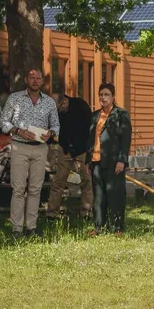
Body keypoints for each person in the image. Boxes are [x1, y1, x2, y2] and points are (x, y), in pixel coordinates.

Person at [0, 69, 60, 238]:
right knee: (18, 189)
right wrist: (18, 130)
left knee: (35, 189)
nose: (35, 80)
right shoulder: (15, 98)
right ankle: (17, 229)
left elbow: (56, 125)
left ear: (42, 81)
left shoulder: (49, 102)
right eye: (32, 77)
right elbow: (3, 121)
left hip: (41, 148)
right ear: (26, 79)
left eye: (38, 78)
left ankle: (31, 228)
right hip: (20, 146)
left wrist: (51, 133)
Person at [85, 82, 131, 235]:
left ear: (113, 97)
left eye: (106, 94)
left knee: (115, 194)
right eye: (101, 95)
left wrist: (121, 160)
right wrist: (88, 160)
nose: (103, 98)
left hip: (113, 161)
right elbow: (90, 139)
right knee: (99, 196)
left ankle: (117, 227)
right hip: (96, 161)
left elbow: (125, 140)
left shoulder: (121, 114)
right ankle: (99, 227)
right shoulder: (95, 115)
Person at [47, 94, 93, 219]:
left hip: (82, 147)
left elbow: (91, 127)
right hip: (65, 147)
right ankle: (52, 213)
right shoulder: (55, 112)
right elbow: (51, 129)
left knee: (87, 179)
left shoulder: (81, 106)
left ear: (65, 101)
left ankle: (86, 212)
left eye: (60, 108)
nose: (59, 111)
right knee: (58, 180)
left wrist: (90, 149)